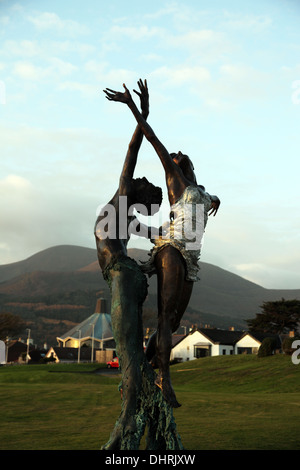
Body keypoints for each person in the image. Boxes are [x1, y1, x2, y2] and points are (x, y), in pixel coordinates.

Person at [103, 80, 220, 408]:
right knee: (165, 317)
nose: (176, 154)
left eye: (180, 155)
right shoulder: (176, 179)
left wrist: (216, 198)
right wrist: (135, 106)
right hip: (173, 250)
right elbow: (151, 138)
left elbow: (208, 196)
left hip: (191, 258)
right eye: (174, 155)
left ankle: (146, 364)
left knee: (175, 322)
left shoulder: (200, 187)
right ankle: (164, 380)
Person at [95, 79, 162, 442]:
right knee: (133, 353)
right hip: (129, 277)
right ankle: (149, 416)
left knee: (130, 356)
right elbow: (155, 234)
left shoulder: (122, 197)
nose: (139, 177)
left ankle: (127, 426)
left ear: (135, 193)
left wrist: (139, 112)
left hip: (123, 275)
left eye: (145, 182)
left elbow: (132, 148)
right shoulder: (127, 220)